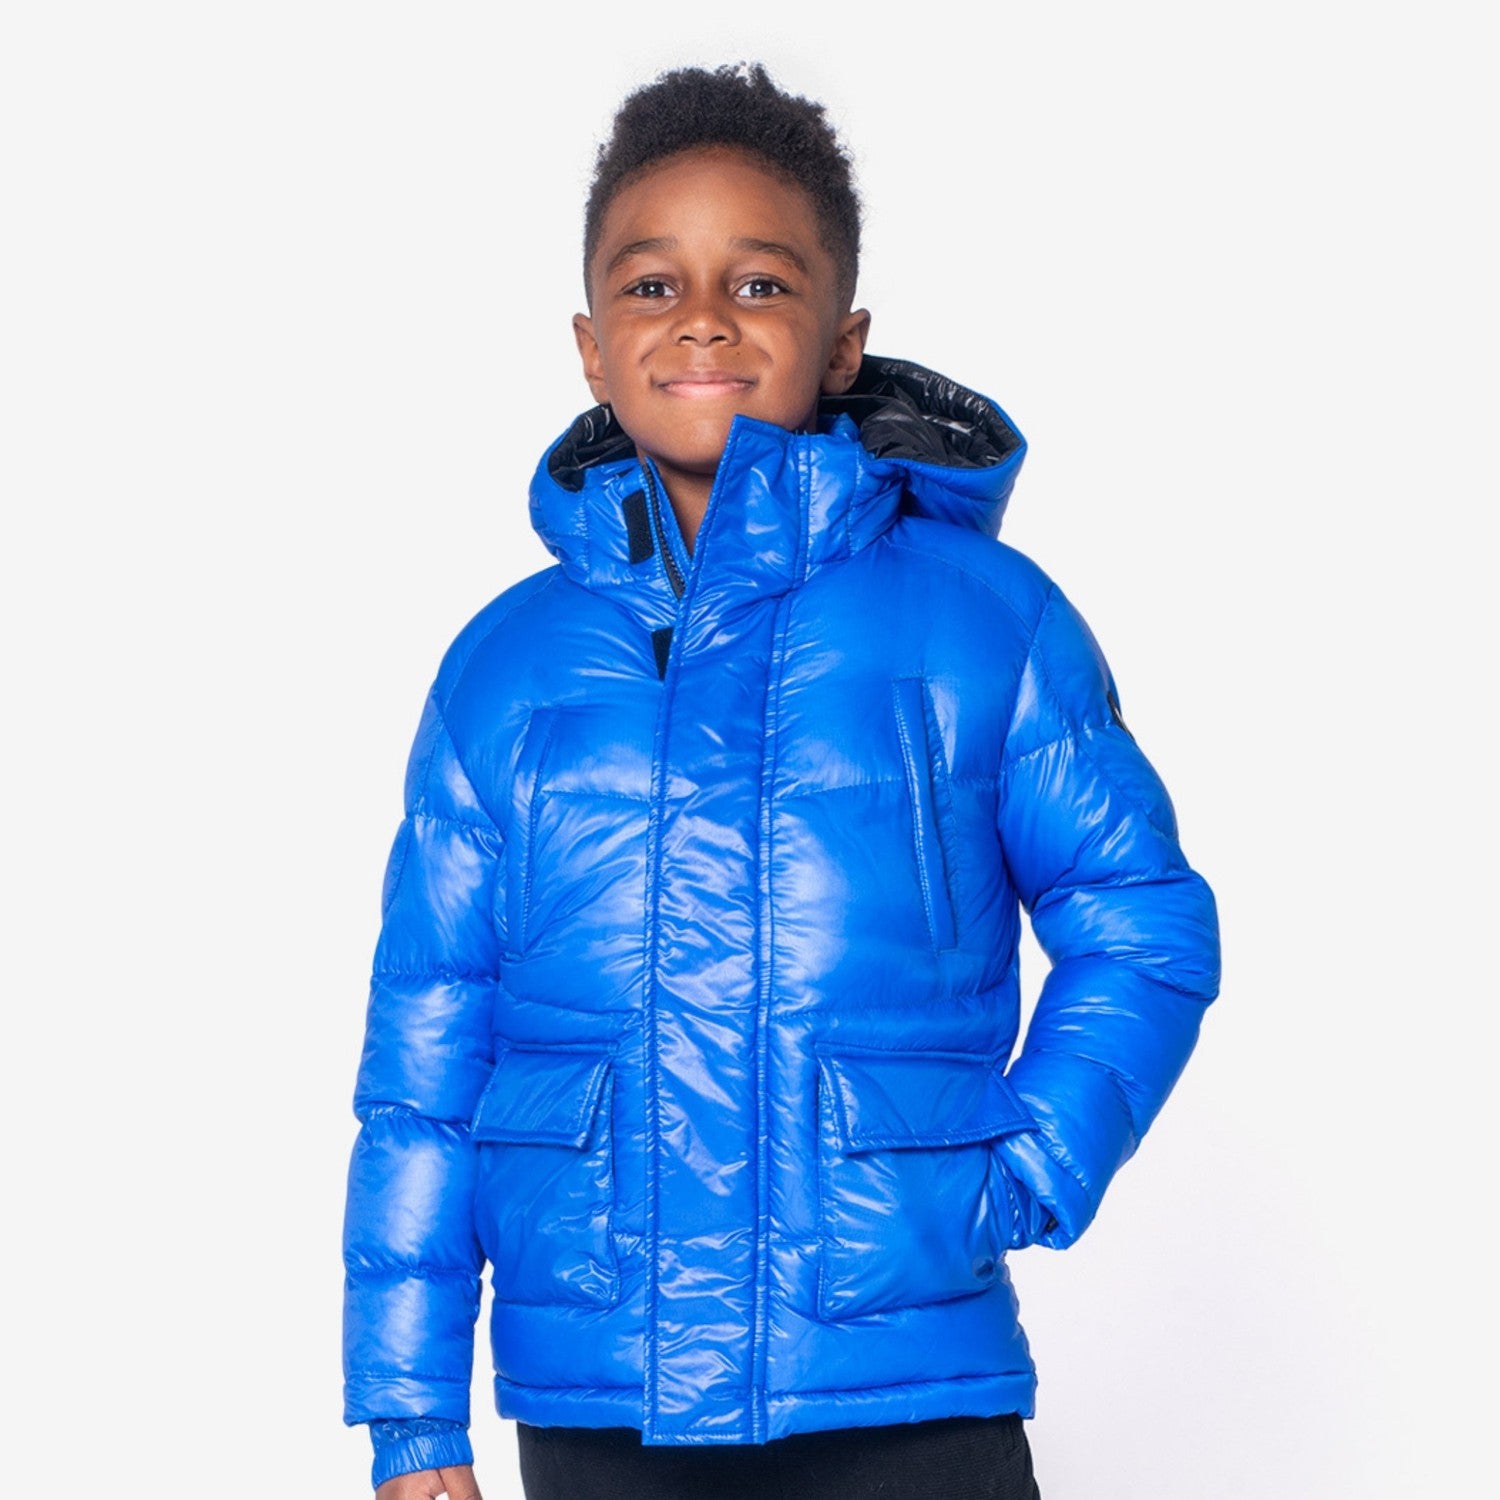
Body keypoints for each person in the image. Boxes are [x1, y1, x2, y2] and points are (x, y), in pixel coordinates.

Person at [341, 62, 1221, 1500]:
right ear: (589, 346)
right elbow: (429, 1043)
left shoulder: (984, 624)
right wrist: (409, 1409)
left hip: (902, 1369)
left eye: (759, 283)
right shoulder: (504, 670)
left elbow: (1141, 920)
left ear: (843, 340)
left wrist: (1022, 1169)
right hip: (603, 1381)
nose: (702, 318)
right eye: (652, 286)